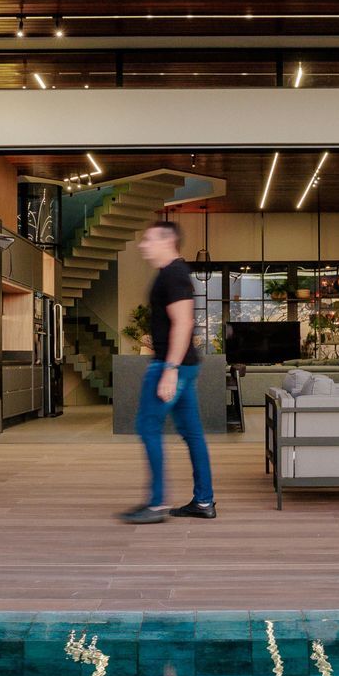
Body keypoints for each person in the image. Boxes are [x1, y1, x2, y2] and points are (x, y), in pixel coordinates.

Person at [120, 219, 215, 523]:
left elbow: (184, 322)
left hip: (172, 365)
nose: (142, 245)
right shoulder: (172, 273)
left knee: (148, 426)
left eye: (148, 239)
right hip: (183, 365)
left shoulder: (173, 274)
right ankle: (203, 502)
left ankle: (157, 503)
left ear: (166, 241)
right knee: (193, 434)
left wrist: (170, 369)